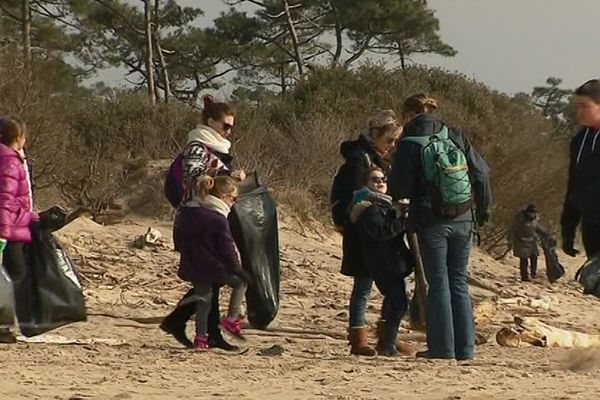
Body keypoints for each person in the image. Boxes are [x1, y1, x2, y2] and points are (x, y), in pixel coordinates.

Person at [389, 94, 492, 361]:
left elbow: (399, 188)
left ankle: (442, 349)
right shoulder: (454, 134)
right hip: (464, 217)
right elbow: (482, 173)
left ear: (409, 115)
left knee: (438, 282)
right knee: (458, 280)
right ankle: (466, 349)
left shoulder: (409, 143)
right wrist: (482, 212)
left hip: (430, 219)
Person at [161, 95, 245, 351]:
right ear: (211, 122)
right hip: (198, 219)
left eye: (231, 126)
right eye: (225, 126)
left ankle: (194, 328)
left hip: (204, 217)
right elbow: (194, 177)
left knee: (210, 279)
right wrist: (228, 175)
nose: (229, 131)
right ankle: (202, 331)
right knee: (212, 276)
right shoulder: (198, 147)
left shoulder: (215, 147)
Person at [331, 110, 402, 356]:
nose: (392, 146)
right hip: (362, 232)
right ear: (376, 134)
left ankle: (387, 336)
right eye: (390, 140)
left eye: (395, 141)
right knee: (363, 286)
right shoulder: (358, 159)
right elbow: (352, 197)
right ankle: (358, 338)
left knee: (391, 286)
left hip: (379, 229)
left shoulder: (377, 158)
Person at [173, 176, 252, 350]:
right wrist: (237, 268)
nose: (234, 203)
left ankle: (201, 339)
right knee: (241, 283)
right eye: (233, 199)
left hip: (193, 264)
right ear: (223, 197)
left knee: (204, 302)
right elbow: (227, 248)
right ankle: (231, 319)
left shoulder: (189, 212)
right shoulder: (218, 219)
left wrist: (185, 254)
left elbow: (178, 237)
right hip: (213, 266)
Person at [350, 167, 413, 356]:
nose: (380, 182)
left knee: (398, 302)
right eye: (374, 179)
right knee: (398, 302)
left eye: (383, 179)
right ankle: (386, 343)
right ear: (365, 184)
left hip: (390, 262)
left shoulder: (384, 206)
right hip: (383, 264)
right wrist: (401, 221)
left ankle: (388, 341)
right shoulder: (367, 207)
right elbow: (380, 232)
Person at [0, 117, 39, 343]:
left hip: (13, 226)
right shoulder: (11, 162)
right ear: (19, 139)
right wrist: (3, 233)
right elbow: (6, 200)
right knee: (15, 276)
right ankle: (4, 327)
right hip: (10, 230)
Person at [561, 79, 600, 259]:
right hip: (591, 226)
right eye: (577, 106)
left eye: (585, 106)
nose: (579, 112)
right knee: (593, 282)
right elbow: (574, 185)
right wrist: (568, 228)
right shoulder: (579, 140)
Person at [507, 204, 548, 282]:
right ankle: (524, 276)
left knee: (534, 257)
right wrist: (510, 240)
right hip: (521, 241)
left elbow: (538, 228)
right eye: (531, 213)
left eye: (534, 213)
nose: (532, 214)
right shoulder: (520, 219)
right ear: (527, 212)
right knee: (524, 259)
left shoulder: (535, 219)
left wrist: (546, 235)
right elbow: (512, 229)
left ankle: (533, 274)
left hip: (532, 241)